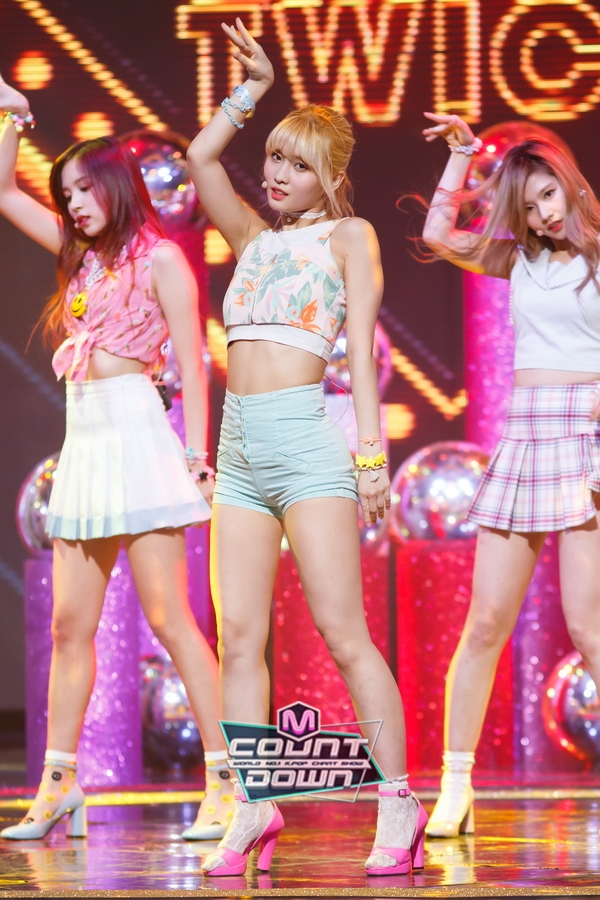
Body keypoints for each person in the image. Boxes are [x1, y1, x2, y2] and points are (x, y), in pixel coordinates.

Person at [185, 19, 428, 878]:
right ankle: (255, 805)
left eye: (295, 162)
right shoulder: (254, 238)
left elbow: (359, 352)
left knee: (341, 630)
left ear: (329, 173)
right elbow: (200, 158)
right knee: (240, 636)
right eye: (274, 158)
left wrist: (371, 458)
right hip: (239, 447)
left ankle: (398, 801)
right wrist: (253, 91)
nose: (277, 173)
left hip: (305, 441)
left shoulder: (347, 238)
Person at [0, 72, 232, 842]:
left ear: (115, 185)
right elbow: (2, 193)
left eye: (84, 189)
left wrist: (197, 457)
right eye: (66, 193)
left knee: (171, 621)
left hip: (138, 433)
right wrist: (13, 117)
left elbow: (194, 363)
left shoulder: (161, 258)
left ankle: (227, 783)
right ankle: (58, 789)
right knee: (71, 627)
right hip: (86, 441)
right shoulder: (82, 258)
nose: (73, 203)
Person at [420, 112, 600, 837]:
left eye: (548, 195)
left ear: (569, 182)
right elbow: (438, 234)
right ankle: (456, 785)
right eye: (527, 206)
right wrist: (461, 157)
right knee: (487, 621)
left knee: (588, 625)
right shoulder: (518, 259)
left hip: (588, 435)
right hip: (526, 434)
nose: (543, 214)